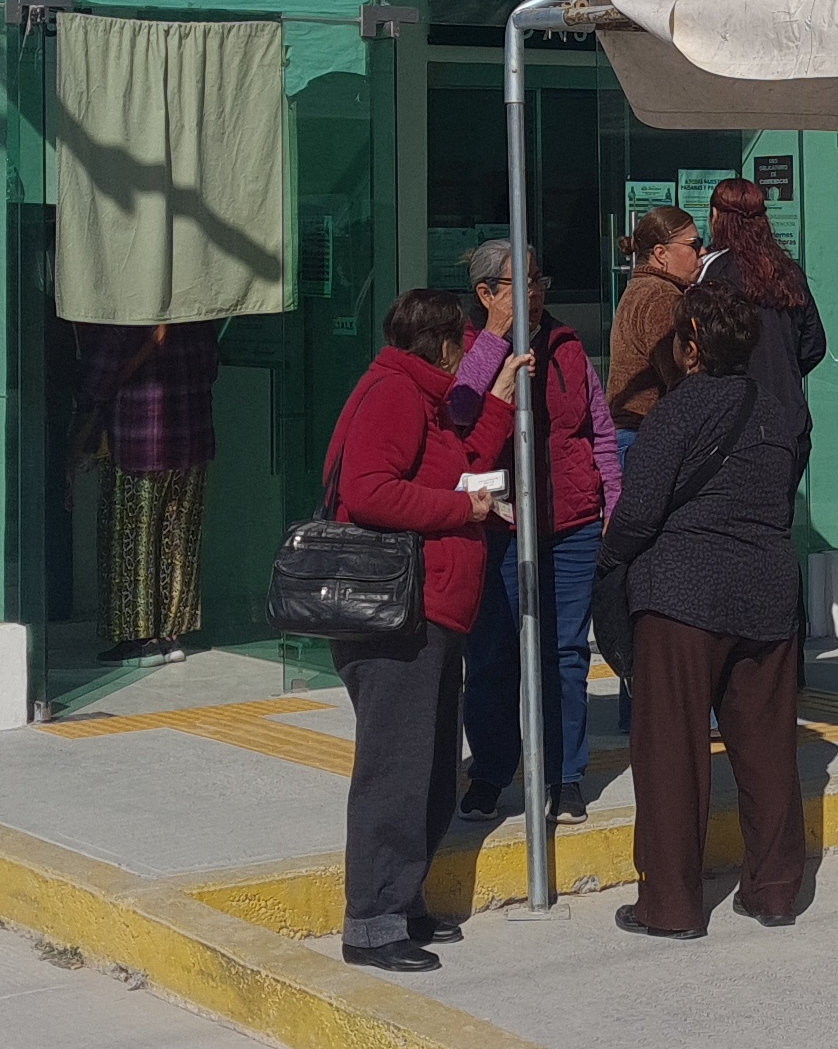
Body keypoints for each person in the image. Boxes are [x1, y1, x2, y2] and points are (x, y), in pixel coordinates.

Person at [322, 286, 517, 971]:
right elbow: (369, 491)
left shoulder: (424, 398)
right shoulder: (395, 396)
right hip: (397, 616)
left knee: (429, 769)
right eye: (464, 340)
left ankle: (402, 903)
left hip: (431, 611)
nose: (468, 352)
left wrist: (498, 406)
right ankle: (372, 924)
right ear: (443, 345)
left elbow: (458, 473)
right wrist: (462, 514)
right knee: (396, 770)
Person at [606, 284, 808, 936]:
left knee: (672, 751)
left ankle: (670, 905)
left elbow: (638, 512)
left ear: (691, 347)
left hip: (683, 597)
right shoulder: (778, 413)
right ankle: (774, 892)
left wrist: (611, 560)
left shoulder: (678, 411)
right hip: (768, 593)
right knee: (769, 750)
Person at [454, 240, 611, 824]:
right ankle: (492, 770)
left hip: (570, 522)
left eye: (539, 280)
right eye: (521, 283)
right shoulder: (467, 347)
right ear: (486, 294)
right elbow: (460, 411)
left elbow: (597, 428)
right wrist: (497, 338)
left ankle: (564, 775)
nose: (535, 293)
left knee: (565, 654)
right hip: (498, 524)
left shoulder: (566, 344)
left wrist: (611, 499)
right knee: (493, 656)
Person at [73, 319, 220, 661]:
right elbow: (211, 367)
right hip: (191, 441)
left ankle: (138, 639)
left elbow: (98, 380)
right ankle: (171, 635)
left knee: (131, 542)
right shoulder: (197, 315)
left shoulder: (128, 314)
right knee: (178, 541)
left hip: (137, 441)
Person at [701, 177, 827, 394]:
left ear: (715, 215)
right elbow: (813, 346)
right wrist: (783, 373)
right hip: (785, 403)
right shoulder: (787, 271)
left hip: (734, 403)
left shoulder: (712, 270)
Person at [606, 205, 703, 433]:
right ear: (661, 254)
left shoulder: (642, 287)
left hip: (630, 430)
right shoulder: (661, 296)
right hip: (642, 430)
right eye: (694, 244)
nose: (703, 252)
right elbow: (680, 376)